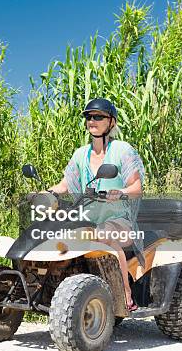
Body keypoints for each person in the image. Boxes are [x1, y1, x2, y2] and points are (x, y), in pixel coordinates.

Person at [47, 98, 145, 311]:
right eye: (89, 117)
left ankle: (126, 295)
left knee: (104, 234)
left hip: (120, 221)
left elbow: (136, 188)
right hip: (87, 220)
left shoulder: (122, 150)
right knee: (52, 234)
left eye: (98, 116)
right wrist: (46, 193)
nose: (92, 120)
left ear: (111, 122)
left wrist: (120, 192)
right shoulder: (80, 154)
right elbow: (65, 184)